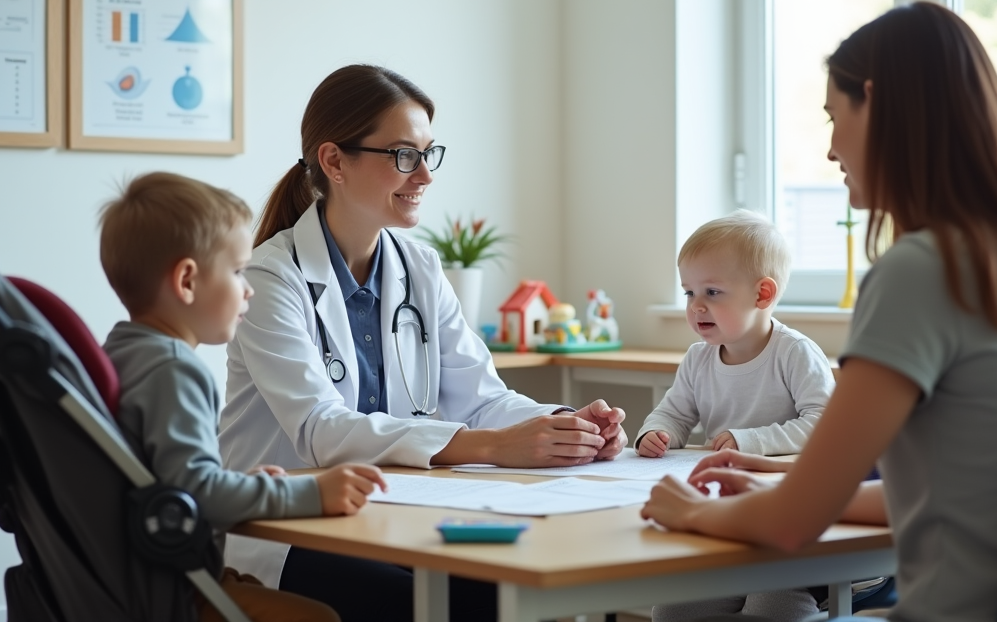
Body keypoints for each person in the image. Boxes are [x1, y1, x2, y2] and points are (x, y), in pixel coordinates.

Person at [640, 0, 997, 622]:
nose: (830, 150)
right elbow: (969, 499)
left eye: (834, 115)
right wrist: (777, 483)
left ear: (876, 104)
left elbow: (794, 525)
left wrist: (693, 510)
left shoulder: (924, 270)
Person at [217, 65, 627, 621]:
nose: (425, 176)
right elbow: (319, 429)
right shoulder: (269, 276)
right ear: (335, 161)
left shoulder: (421, 266)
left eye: (428, 154)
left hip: (397, 514)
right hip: (289, 528)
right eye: (404, 156)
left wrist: (566, 424)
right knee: (432, 603)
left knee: (515, 592)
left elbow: (481, 399)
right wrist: (491, 447)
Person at [98, 172, 388, 622]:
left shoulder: (120, 353)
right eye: (236, 271)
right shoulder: (174, 370)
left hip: (134, 579)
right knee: (322, 617)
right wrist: (312, 493)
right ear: (187, 281)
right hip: (176, 589)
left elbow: (173, 478)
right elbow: (198, 493)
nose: (248, 287)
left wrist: (250, 484)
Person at [636, 210, 834, 622]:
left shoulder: (794, 352)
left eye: (712, 291)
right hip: (722, 515)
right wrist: (655, 432)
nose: (697, 306)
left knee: (773, 609)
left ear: (763, 294)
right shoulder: (698, 358)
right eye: (689, 293)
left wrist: (750, 440)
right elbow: (673, 413)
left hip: (784, 518)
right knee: (673, 611)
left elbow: (825, 428)